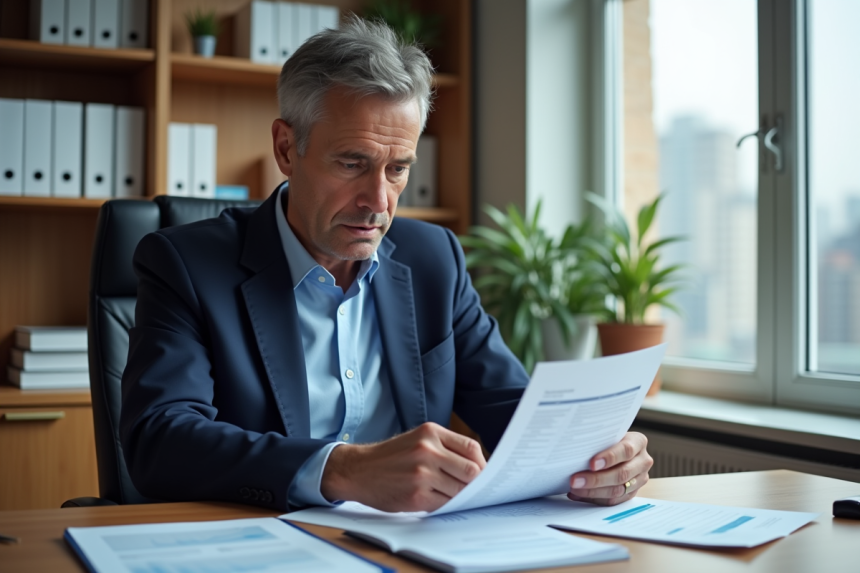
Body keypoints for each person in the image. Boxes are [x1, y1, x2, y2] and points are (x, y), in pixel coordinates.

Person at [120, 18, 653, 513]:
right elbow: (160, 439)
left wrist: (597, 454)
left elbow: (512, 409)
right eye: (352, 164)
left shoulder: (433, 259)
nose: (378, 200)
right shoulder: (187, 264)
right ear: (287, 148)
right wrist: (341, 469)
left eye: (398, 169)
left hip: (411, 548)